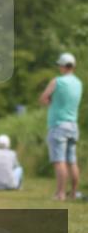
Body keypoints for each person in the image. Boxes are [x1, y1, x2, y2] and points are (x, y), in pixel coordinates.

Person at [39, 52, 83, 201]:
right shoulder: (79, 83)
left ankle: (60, 194)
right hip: (73, 125)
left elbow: (43, 98)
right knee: (72, 161)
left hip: (58, 125)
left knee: (59, 161)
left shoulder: (57, 81)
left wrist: (51, 102)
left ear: (63, 66)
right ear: (74, 66)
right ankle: (73, 193)